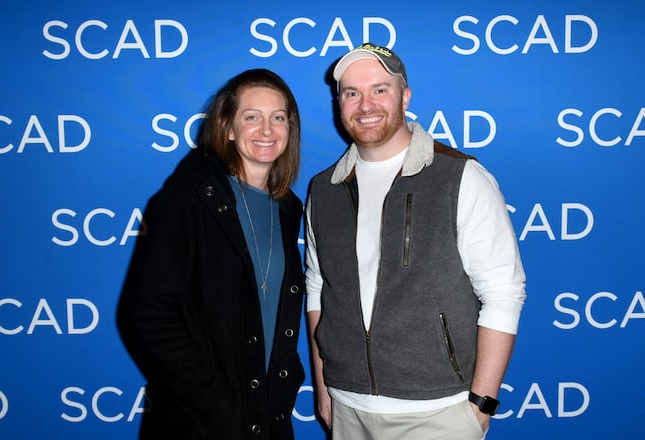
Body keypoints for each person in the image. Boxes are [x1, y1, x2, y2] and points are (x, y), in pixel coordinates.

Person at [305, 43, 527, 439]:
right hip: (347, 407)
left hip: (438, 412)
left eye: (380, 89)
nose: (366, 104)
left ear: (405, 96)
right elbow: (318, 288)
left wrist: (481, 405)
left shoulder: (460, 177)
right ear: (339, 103)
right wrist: (324, 386)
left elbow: (503, 292)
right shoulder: (325, 189)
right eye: (352, 93)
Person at [117, 68, 306, 439]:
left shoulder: (288, 208)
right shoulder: (189, 197)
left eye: (278, 118)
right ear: (227, 127)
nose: (266, 130)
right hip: (201, 423)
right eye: (251, 117)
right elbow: (146, 312)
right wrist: (214, 398)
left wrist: (285, 379)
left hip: (268, 416)